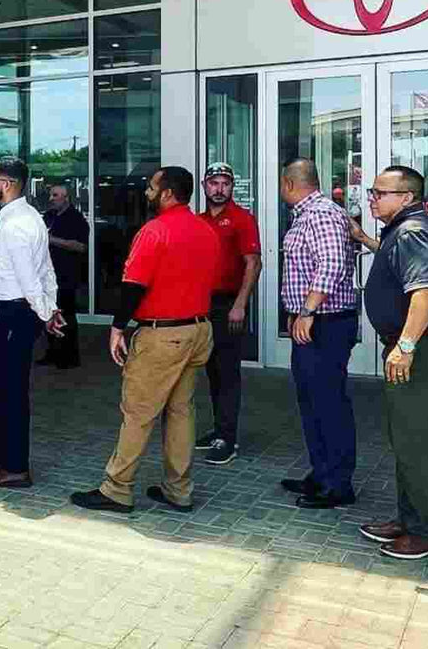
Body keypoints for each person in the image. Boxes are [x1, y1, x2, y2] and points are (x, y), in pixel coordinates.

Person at [70, 166, 221, 514]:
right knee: (182, 411)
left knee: (138, 411)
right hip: (198, 331)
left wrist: (117, 327)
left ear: (167, 193)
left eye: (152, 188)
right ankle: (179, 490)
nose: (147, 193)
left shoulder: (154, 232)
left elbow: (133, 285)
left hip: (162, 335)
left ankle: (116, 489)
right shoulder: (205, 230)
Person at [346, 165, 428, 559]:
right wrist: (364, 238)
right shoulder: (405, 231)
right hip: (416, 348)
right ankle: (409, 520)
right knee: (405, 438)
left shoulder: (411, 232)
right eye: (372, 191)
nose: (372, 198)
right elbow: (398, 266)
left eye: (381, 192)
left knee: (414, 442)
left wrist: (406, 346)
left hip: (422, 351)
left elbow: (424, 292)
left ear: (407, 198)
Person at [0, 158, 64, 489]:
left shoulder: (17, 225)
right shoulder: (28, 217)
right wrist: (49, 308)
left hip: (16, 312)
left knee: (9, 391)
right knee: (1, 388)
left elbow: (29, 278)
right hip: (19, 311)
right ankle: (0, 457)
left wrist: (46, 312)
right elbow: (46, 269)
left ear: (7, 184)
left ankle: (16, 467)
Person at [276, 158, 361, 509]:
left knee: (327, 401)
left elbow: (331, 264)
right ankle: (321, 472)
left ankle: (338, 484)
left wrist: (308, 311)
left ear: (290, 184)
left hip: (325, 322)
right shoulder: (308, 215)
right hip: (312, 321)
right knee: (311, 400)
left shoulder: (322, 213)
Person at [194, 163, 262, 466]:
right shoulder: (198, 221)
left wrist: (240, 304)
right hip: (202, 305)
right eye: (214, 183)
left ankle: (227, 438)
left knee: (228, 372)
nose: (219, 189)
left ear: (232, 187)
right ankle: (219, 429)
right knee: (212, 371)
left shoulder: (242, 219)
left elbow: (253, 264)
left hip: (228, 305)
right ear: (204, 186)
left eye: (225, 183)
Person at [38, 184, 90, 369]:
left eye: (56, 195)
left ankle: (69, 358)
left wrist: (52, 240)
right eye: (51, 195)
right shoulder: (49, 216)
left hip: (67, 274)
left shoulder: (76, 219)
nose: (51, 198)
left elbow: (81, 246)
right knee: (49, 314)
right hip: (48, 275)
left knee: (66, 315)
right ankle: (52, 353)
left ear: (66, 198)